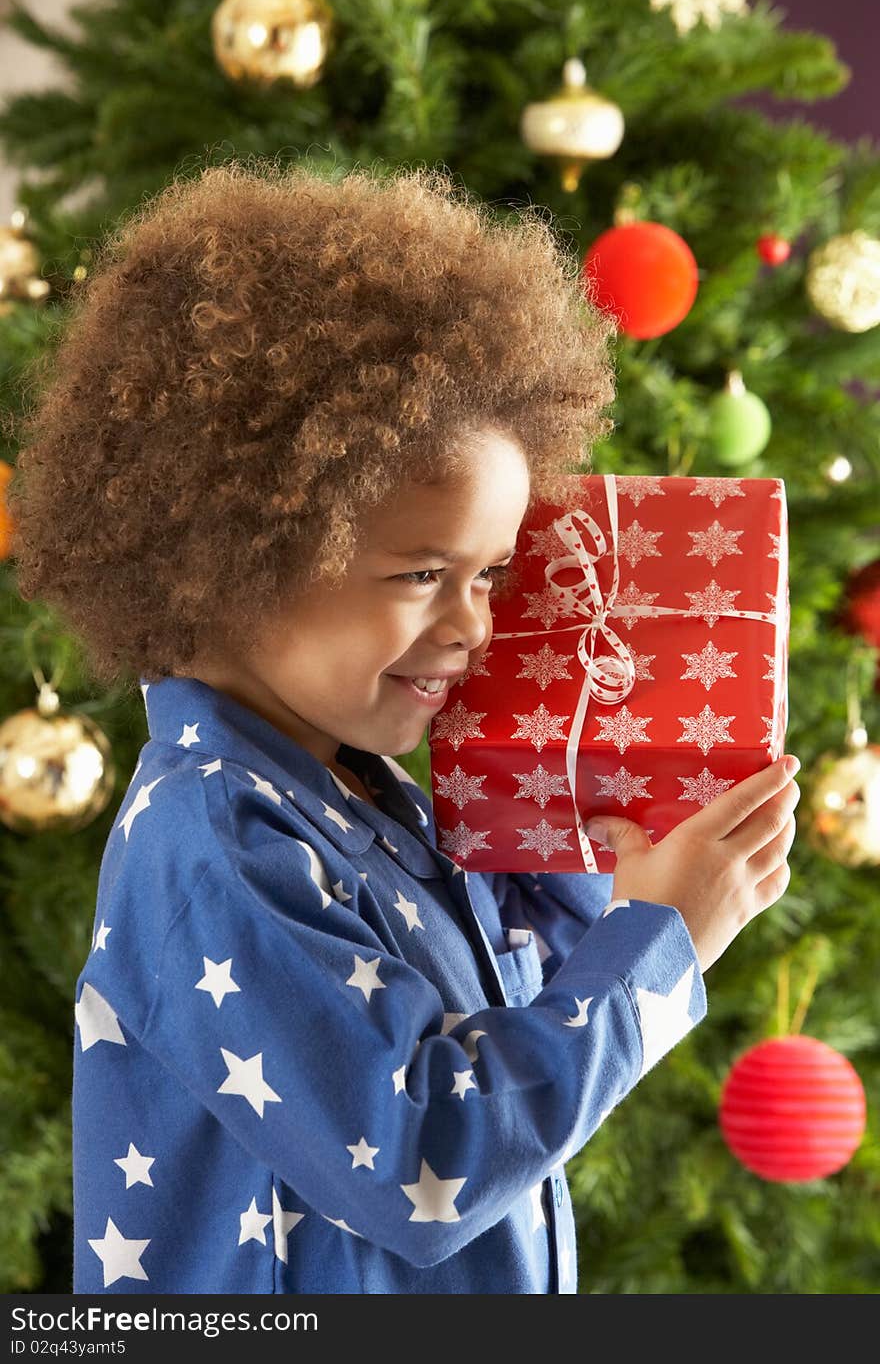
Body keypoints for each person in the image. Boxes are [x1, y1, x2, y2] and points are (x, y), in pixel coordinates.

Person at [8, 159, 799, 1295]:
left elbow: (519, 1027)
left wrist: (620, 861)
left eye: (489, 574)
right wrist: (654, 946)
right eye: (425, 572)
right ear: (243, 553)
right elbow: (426, 1153)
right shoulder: (214, 837)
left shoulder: (367, 800)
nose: (474, 624)